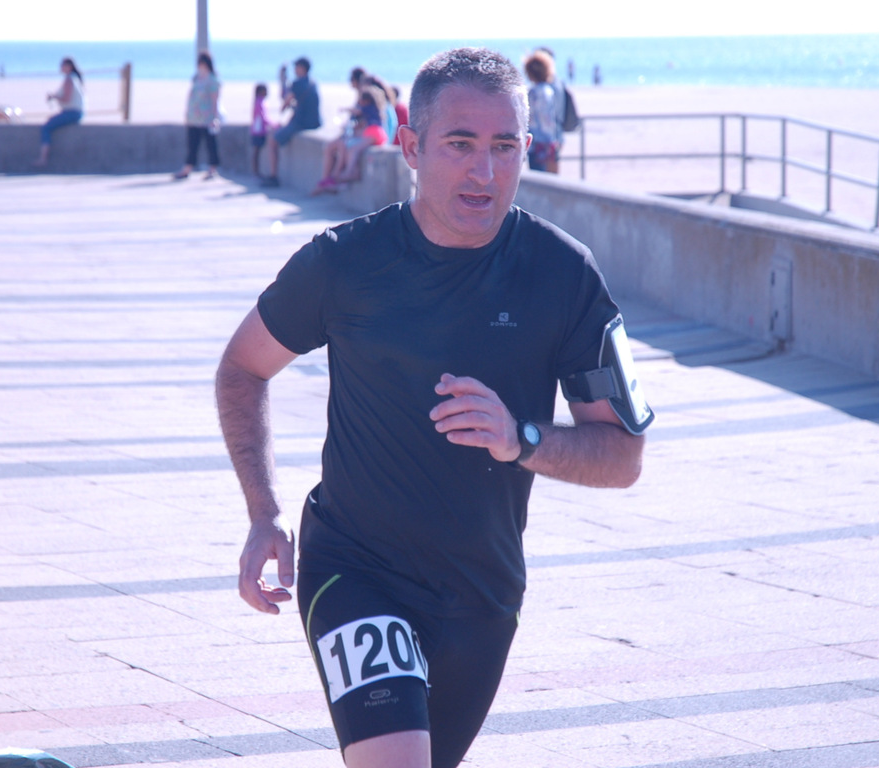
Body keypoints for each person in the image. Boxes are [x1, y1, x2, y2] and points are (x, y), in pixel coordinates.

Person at [216, 47, 649, 768]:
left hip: (483, 595)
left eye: (504, 147)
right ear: (411, 146)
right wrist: (264, 511)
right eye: (460, 144)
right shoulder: (344, 262)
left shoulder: (564, 274)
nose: (485, 172)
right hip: (354, 570)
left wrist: (520, 439)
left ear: (527, 147)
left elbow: (623, 458)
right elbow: (242, 368)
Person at [311, 84, 388, 193]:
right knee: (352, 147)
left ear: (366, 100)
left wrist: (344, 109)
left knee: (354, 149)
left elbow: (357, 111)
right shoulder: (376, 110)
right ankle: (350, 172)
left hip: (374, 133)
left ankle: (349, 172)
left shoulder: (368, 108)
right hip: (374, 133)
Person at [260, 56, 322, 187]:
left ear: (302, 68)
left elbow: (285, 102)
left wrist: (282, 80)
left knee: (272, 141)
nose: (294, 70)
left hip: (302, 123)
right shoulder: (313, 83)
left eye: (296, 67)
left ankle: (273, 176)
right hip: (315, 122)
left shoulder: (297, 84)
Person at [173, 51, 220, 181]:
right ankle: (187, 168)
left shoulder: (212, 80)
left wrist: (215, 117)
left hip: (207, 118)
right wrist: (187, 113)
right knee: (192, 144)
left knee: (210, 144)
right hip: (193, 117)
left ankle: (212, 169)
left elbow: (215, 99)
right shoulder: (197, 78)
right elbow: (191, 96)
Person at [32, 58, 83, 167]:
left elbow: (67, 99)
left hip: (72, 113)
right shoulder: (73, 78)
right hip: (74, 112)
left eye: (63, 65)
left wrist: (54, 97)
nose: (61, 67)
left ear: (69, 67)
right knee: (50, 121)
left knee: (46, 128)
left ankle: (43, 158)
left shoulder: (69, 79)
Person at [524, 49, 561, 173]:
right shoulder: (549, 91)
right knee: (551, 178)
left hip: (536, 143)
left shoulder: (533, 92)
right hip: (549, 141)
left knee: (539, 176)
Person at [250, 83, 270, 177]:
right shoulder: (259, 102)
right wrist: (273, 124)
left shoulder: (257, 101)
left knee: (256, 152)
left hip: (256, 130)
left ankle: (256, 172)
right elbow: (263, 118)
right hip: (258, 131)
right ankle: (256, 172)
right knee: (256, 152)